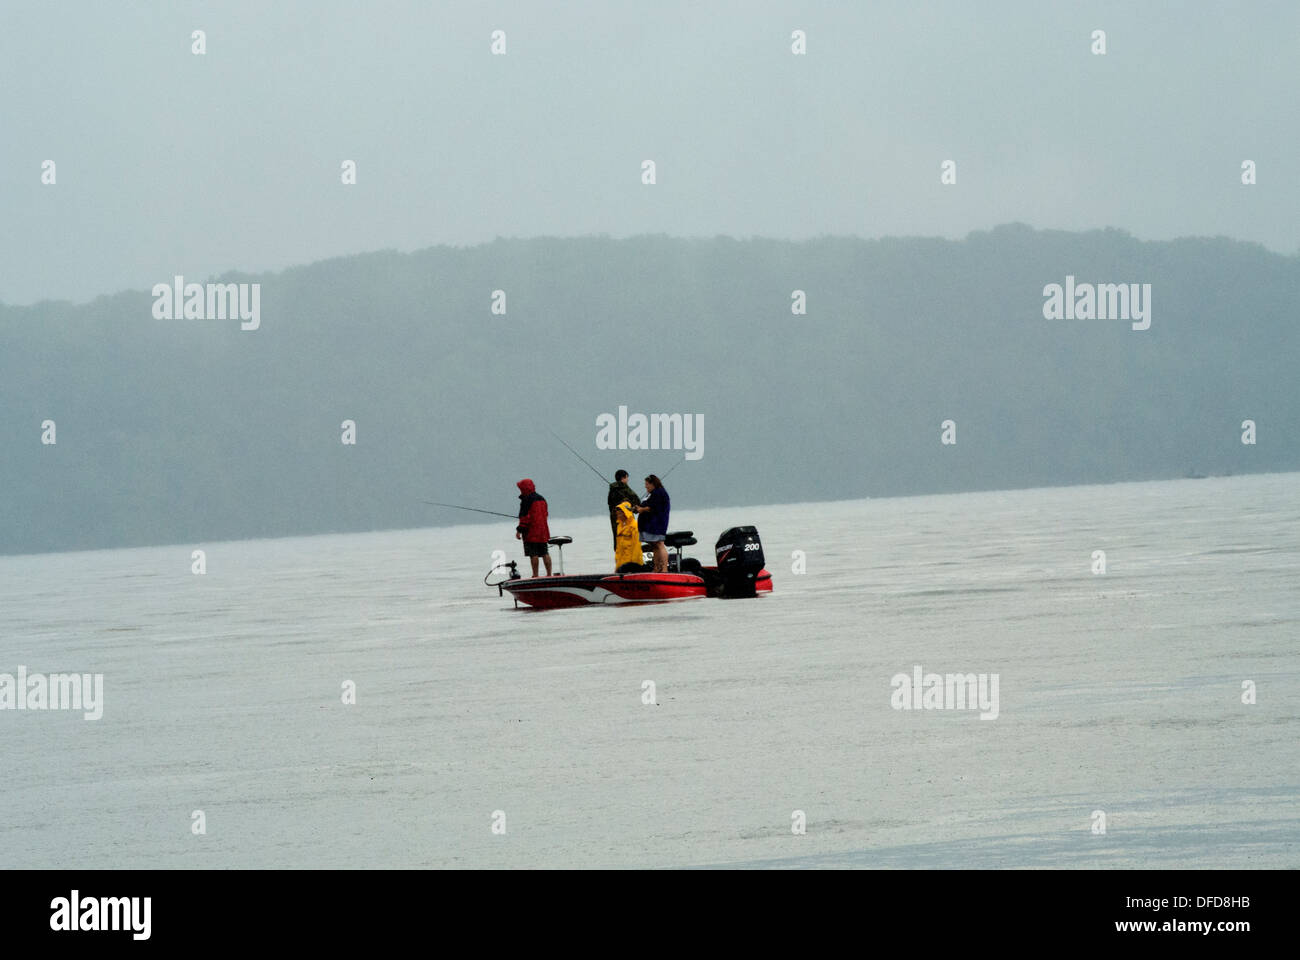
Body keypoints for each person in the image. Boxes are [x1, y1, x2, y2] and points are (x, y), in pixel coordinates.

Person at [515, 478, 552, 577]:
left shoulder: (526, 500)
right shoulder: (542, 498)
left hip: (531, 532)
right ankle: (549, 574)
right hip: (543, 531)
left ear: (524, 488)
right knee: (545, 553)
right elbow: (546, 514)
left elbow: (525, 518)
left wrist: (519, 530)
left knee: (533, 554)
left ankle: (535, 575)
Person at [634, 474, 670, 573]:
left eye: (647, 484)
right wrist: (638, 508)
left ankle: (664, 569)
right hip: (649, 525)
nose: (646, 486)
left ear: (653, 484)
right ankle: (657, 567)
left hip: (656, 524)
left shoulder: (659, 493)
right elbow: (647, 505)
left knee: (659, 544)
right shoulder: (651, 494)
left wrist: (642, 509)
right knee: (655, 545)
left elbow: (653, 507)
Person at [607, 469, 640, 548]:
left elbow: (609, 503)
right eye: (627, 478)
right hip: (626, 519)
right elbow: (637, 501)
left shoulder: (612, 490)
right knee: (629, 541)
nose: (627, 480)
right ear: (624, 477)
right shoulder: (626, 488)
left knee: (617, 539)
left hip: (614, 518)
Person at [612, 499, 643, 572]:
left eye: (620, 514)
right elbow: (618, 546)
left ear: (626, 513)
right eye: (617, 514)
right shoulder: (619, 526)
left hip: (631, 560)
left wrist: (634, 562)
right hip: (621, 560)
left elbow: (637, 545)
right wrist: (617, 560)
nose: (618, 516)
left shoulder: (634, 526)